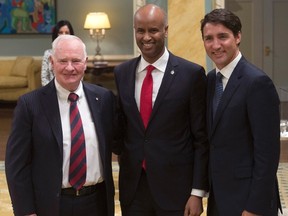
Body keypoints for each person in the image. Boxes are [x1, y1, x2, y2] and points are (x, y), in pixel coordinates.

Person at [113, 4, 209, 216]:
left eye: (153, 30)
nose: (146, 37)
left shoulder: (191, 75)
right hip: (134, 189)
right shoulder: (122, 73)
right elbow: (122, 128)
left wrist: (197, 192)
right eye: (140, 30)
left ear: (166, 30)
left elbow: (201, 139)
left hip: (177, 191)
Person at [5, 35, 115, 216]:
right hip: (51, 205)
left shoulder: (103, 99)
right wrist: (26, 211)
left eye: (76, 60)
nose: (70, 67)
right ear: (52, 62)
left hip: (97, 203)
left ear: (85, 62)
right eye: (63, 61)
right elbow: (16, 165)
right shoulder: (30, 104)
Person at [201, 8, 282, 216]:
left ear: (238, 37)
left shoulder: (257, 82)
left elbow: (267, 154)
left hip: (249, 201)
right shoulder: (210, 80)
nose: (215, 45)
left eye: (222, 37)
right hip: (220, 197)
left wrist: (254, 207)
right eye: (208, 38)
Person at [41, 20, 74, 86]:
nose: (63, 35)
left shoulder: (75, 53)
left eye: (67, 32)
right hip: (51, 91)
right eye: (60, 32)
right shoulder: (48, 53)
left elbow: (79, 76)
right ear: (56, 34)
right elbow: (44, 78)